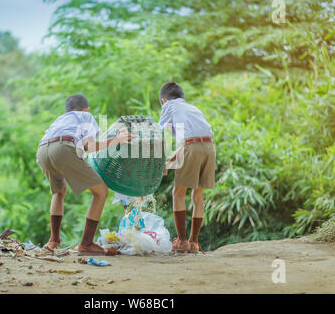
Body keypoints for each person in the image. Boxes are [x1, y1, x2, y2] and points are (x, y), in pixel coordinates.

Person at [36, 94, 134, 255]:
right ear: (86, 109)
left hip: (42, 150)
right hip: (62, 148)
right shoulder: (86, 116)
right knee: (101, 192)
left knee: (59, 192)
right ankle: (87, 244)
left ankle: (53, 241)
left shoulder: (61, 119)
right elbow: (88, 146)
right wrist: (116, 140)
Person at [158, 82, 216, 253]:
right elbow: (190, 141)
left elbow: (159, 132)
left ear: (163, 100)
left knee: (178, 193)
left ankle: (182, 241)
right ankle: (194, 243)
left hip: (192, 147)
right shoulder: (192, 108)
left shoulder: (169, 106)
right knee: (198, 195)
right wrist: (168, 163)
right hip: (210, 147)